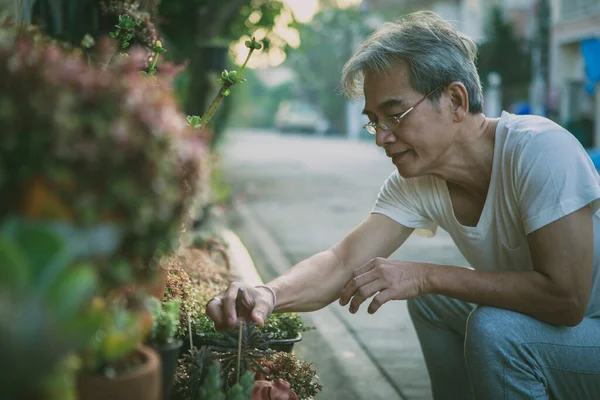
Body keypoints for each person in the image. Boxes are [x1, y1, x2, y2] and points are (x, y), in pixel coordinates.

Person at [207, 11, 600, 400]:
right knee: (432, 302)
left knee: (494, 329)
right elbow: (342, 261)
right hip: (558, 330)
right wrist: (267, 295)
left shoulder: (540, 150)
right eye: (374, 121)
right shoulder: (418, 177)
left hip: (589, 326)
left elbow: (565, 300)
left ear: (455, 100)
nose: (381, 138)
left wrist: (426, 275)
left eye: (395, 116)